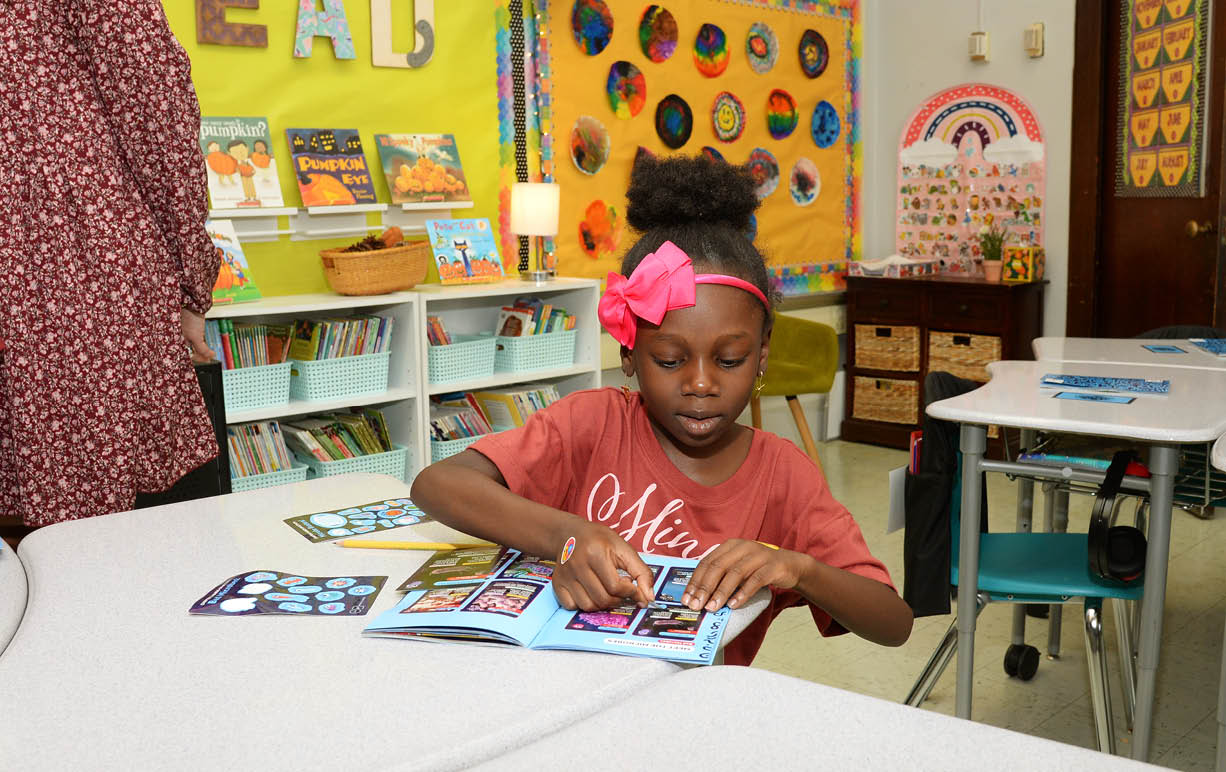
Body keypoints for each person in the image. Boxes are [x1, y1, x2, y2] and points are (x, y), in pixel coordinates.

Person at [412, 155, 912, 665]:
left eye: (730, 359)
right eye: (670, 360)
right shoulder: (592, 424)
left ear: (762, 353)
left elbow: (892, 623)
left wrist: (799, 570)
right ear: (629, 354)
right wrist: (569, 536)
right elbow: (437, 485)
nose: (700, 383)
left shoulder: (784, 475)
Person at [0, 0, 221, 528]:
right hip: (71, 268)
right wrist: (193, 286)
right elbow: (158, 120)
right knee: (113, 548)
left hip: (51, 267)